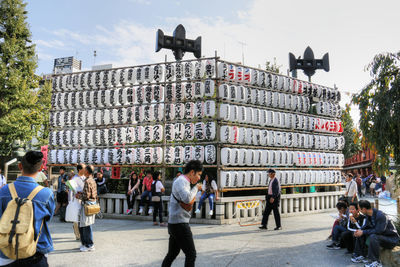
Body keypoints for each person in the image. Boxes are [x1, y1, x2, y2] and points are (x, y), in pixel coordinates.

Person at [0, 151, 55, 266]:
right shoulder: (46, 193)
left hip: (6, 249)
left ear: (20, 166)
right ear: (40, 169)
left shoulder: (3, 191)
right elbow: (48, 218)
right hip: (36, 249)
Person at [162, 160, 203, 267]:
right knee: (191, 254)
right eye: (198, 174)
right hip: (180, 224)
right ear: (192, 172)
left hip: (175, 223)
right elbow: (187, 198)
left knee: (172, 254)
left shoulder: (184, 181)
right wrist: (196, 188)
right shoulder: (181, 181)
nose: (199, 178)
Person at [352, 200, 400, 267]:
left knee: (373, 236)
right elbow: (365, 227)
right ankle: (360, 255)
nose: (359, 211)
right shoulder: (368, 215)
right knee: (361, 233)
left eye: (359, 209)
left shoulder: (380, 215)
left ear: (364, 209)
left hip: (391, 240)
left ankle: (376, 262)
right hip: (382, 237)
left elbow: (379, 231)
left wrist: (363, 232)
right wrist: (359, 231)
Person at [75, 165, 97, 252]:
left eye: (84, 169)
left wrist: (78, 195)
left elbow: (86, 196)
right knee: (86, 224)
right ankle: (86, 244)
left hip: (87, 204)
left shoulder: (87, 181)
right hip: (92, 203)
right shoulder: (92, 180)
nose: (83, 171)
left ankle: (89, 245)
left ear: (87, 172)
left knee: (86, 225)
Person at [68, 164, 86, 241]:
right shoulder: (74, 179)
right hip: (76, 200)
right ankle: (77, 235)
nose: (85, 169)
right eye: (84, 168)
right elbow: (71, 192)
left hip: (84, 200)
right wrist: (70, 202)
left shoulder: (85, 178)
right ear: (79, 169)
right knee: (75, 219)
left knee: (83, 218)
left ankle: (83, 234)